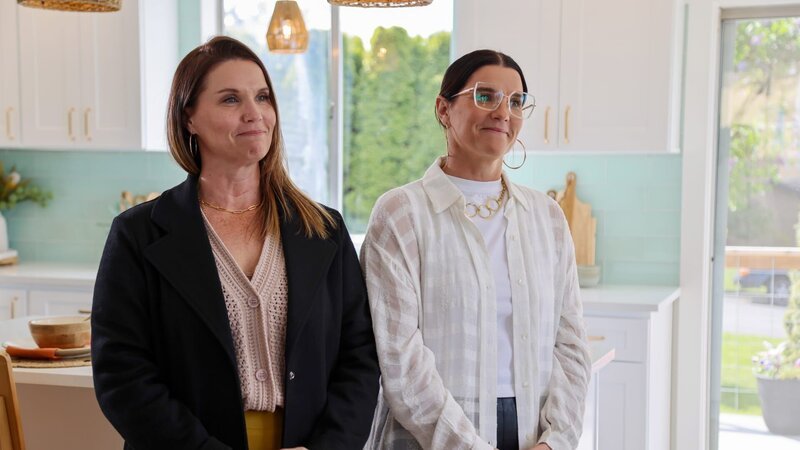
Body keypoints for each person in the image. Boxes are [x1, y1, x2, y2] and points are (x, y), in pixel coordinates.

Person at [91, 36, 380, 450]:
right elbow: (123, 376)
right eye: (230, 100)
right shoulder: (137, 234)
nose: (254, 114)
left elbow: (360, 358)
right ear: (188, 117)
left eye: (262, 97)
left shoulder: (323, 228)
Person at [361, 49, 592, 450]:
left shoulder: (547, 217)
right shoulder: (401, 214)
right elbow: (399, 359)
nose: (504, 112)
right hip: (431, 435)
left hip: (531, 432)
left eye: (516, 101)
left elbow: (571, 345)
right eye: (485, 96)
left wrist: (555, 441)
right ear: (443, 109)